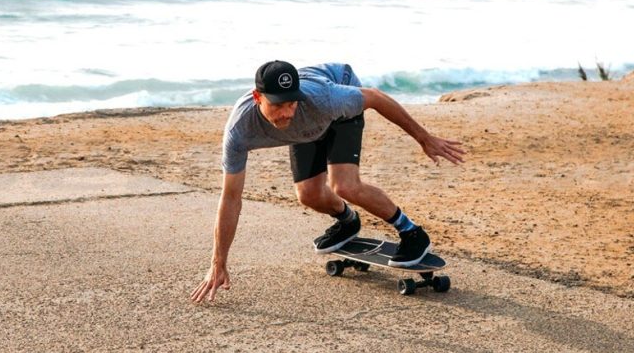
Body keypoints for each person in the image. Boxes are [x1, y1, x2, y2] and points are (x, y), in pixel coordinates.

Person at [191, 61, 465, 303]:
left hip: (337, 94)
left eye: (291, 103)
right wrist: (218, 262)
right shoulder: (239, 130)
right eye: (278, 105)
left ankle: (412, 232)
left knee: (344, 185)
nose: (286, 112)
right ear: (257, 97)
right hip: (310, 127)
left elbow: (375, 97)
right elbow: (231, 198)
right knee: (309, 195)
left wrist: (423, 138)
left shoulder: (324, 99)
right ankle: (347, 221)